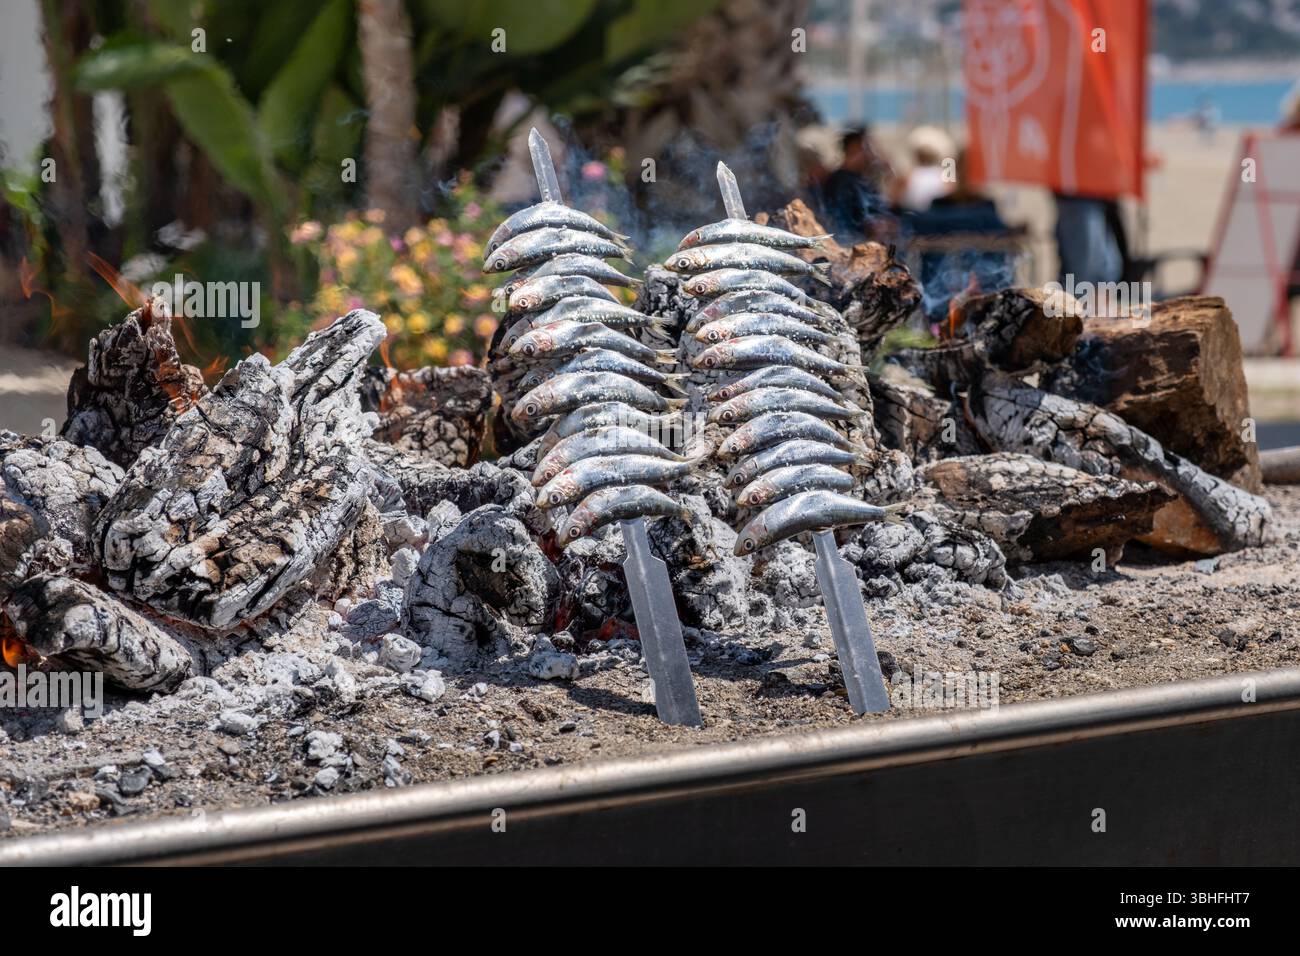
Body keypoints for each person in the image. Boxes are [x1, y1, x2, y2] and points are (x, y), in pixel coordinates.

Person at [819, 125, 891, 243]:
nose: (872, 155)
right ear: (854, 149)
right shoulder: (841, 182)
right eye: (867, 148)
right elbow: (842, 224)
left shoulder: (858, 180)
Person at [895, 125, 956, 212]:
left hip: (916, 219)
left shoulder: (907, 175)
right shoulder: (946, 177)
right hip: (935, 218)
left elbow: (895, 200)